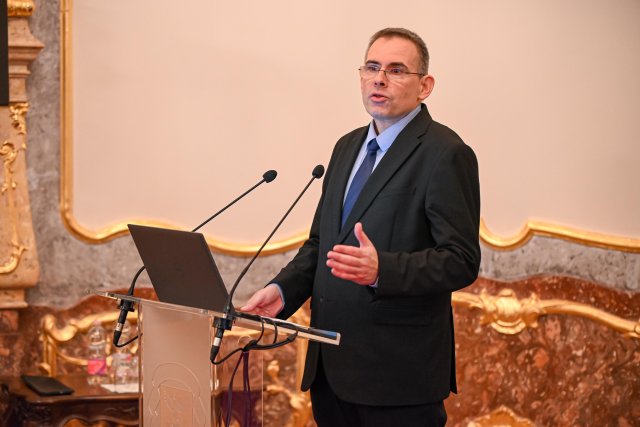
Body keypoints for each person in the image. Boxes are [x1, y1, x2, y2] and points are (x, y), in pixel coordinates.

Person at [242, 27, 480, 427]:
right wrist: (283, 291)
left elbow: (461, 261)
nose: (379, 79)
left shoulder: (446, 153)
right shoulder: (347, 146)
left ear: (425, 86)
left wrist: (383, 269)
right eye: (371, 67)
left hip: (397, 378)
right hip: (331, 371)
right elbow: (321, 244)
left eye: (396, 70)